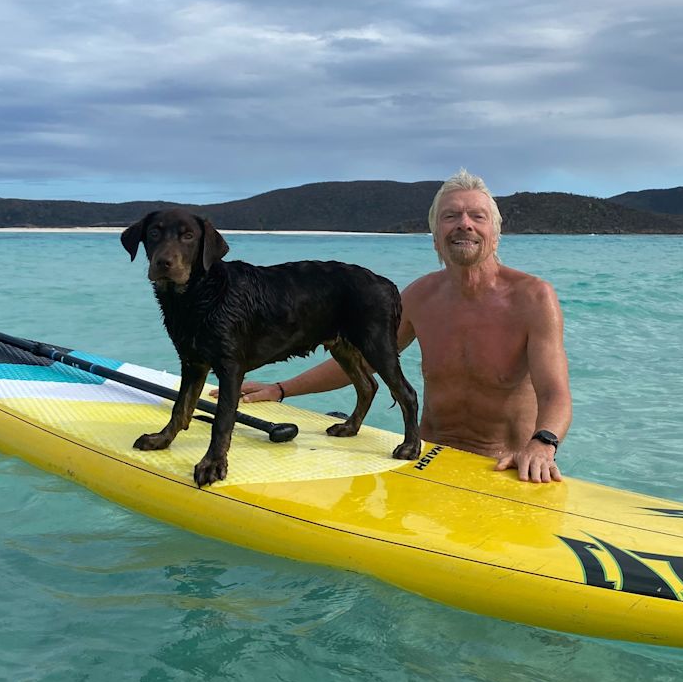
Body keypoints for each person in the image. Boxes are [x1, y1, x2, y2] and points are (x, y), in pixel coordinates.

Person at [227, 169, 572, 483]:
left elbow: (555, 392)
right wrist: (282, 389)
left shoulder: (533, 298)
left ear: (495, 235)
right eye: (450, 216)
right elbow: (362, 358)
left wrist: (543, 443)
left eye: (477, 216)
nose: (464, 224)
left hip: (503, 466)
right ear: (436, 237)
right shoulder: (421, 296)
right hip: (425, 459)